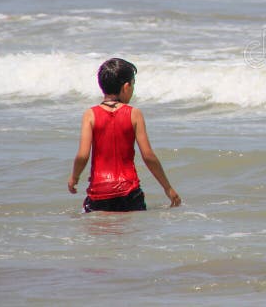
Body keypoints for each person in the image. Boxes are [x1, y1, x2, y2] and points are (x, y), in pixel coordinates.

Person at [68, 58, 181, 212]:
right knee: (130, 233)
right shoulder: (134, 114)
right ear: (126, 86)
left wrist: (74, 177)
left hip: (99, 194)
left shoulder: (90, 115)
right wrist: (168, 188)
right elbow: (148, 156)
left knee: (100, 234)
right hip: (130, 193)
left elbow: (82, 155)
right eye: (133, 84)